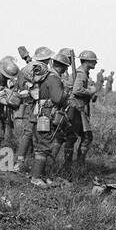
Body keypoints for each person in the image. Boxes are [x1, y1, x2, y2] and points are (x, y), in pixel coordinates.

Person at [27, 47, 67, 186]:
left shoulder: (46, 77)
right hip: (47, 115)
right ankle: (36, 178)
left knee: (44, 145)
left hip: (42, 113)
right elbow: (57, 98)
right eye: (65, 67)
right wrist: (66, 94)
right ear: (62, 67)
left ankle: (42, 176)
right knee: (43, 146)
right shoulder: (54, 78)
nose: (66, 70)